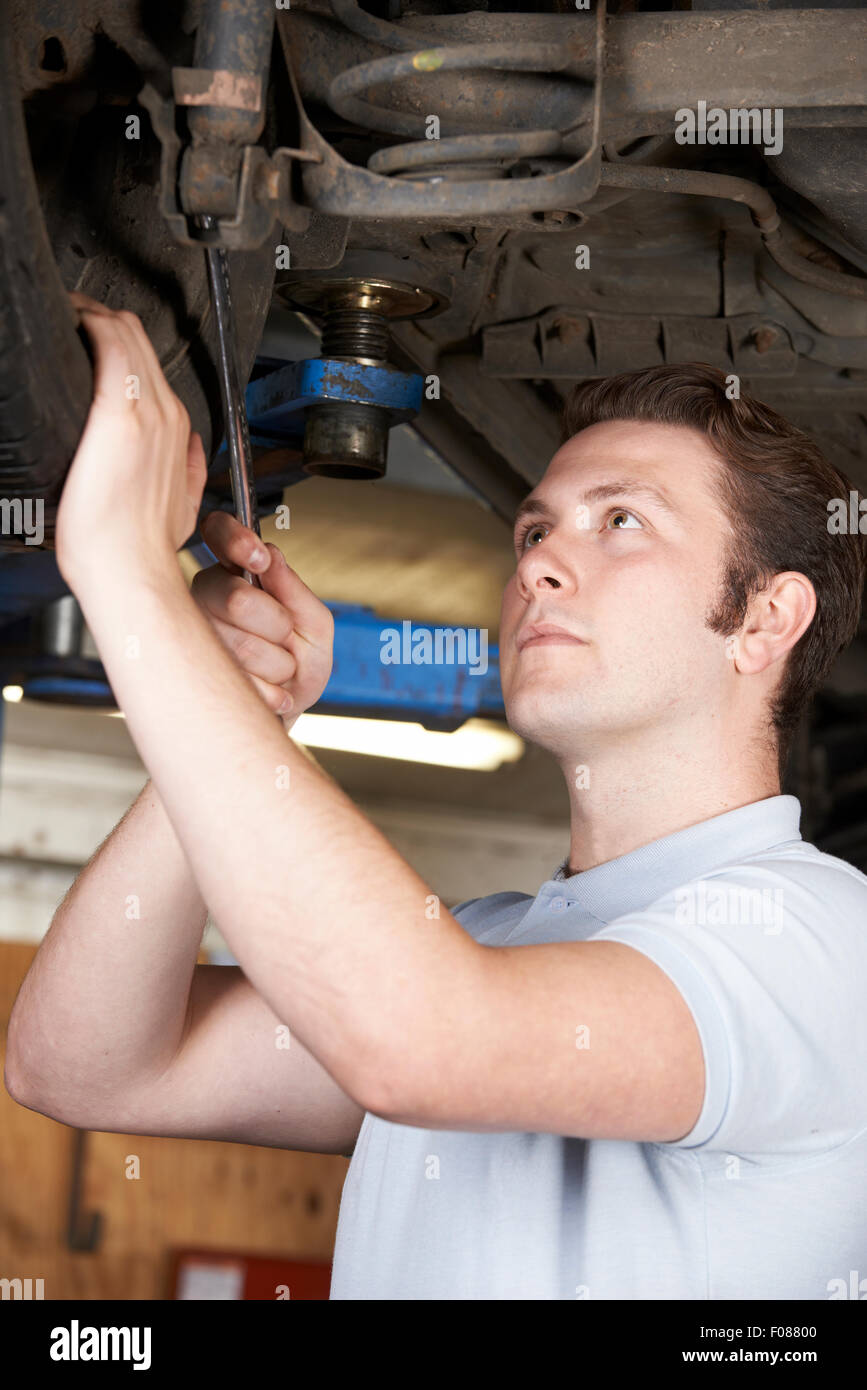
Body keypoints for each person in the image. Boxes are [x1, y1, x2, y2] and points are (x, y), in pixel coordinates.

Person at [6, 295, 867, 1300]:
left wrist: (127, 576)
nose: (538, 559)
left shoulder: (820, 939)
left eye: (621, 522)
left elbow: (420, 1042)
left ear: (766, 619)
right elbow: (84, 1065)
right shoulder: (489, 949)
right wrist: (235, 702)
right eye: (535, 528)